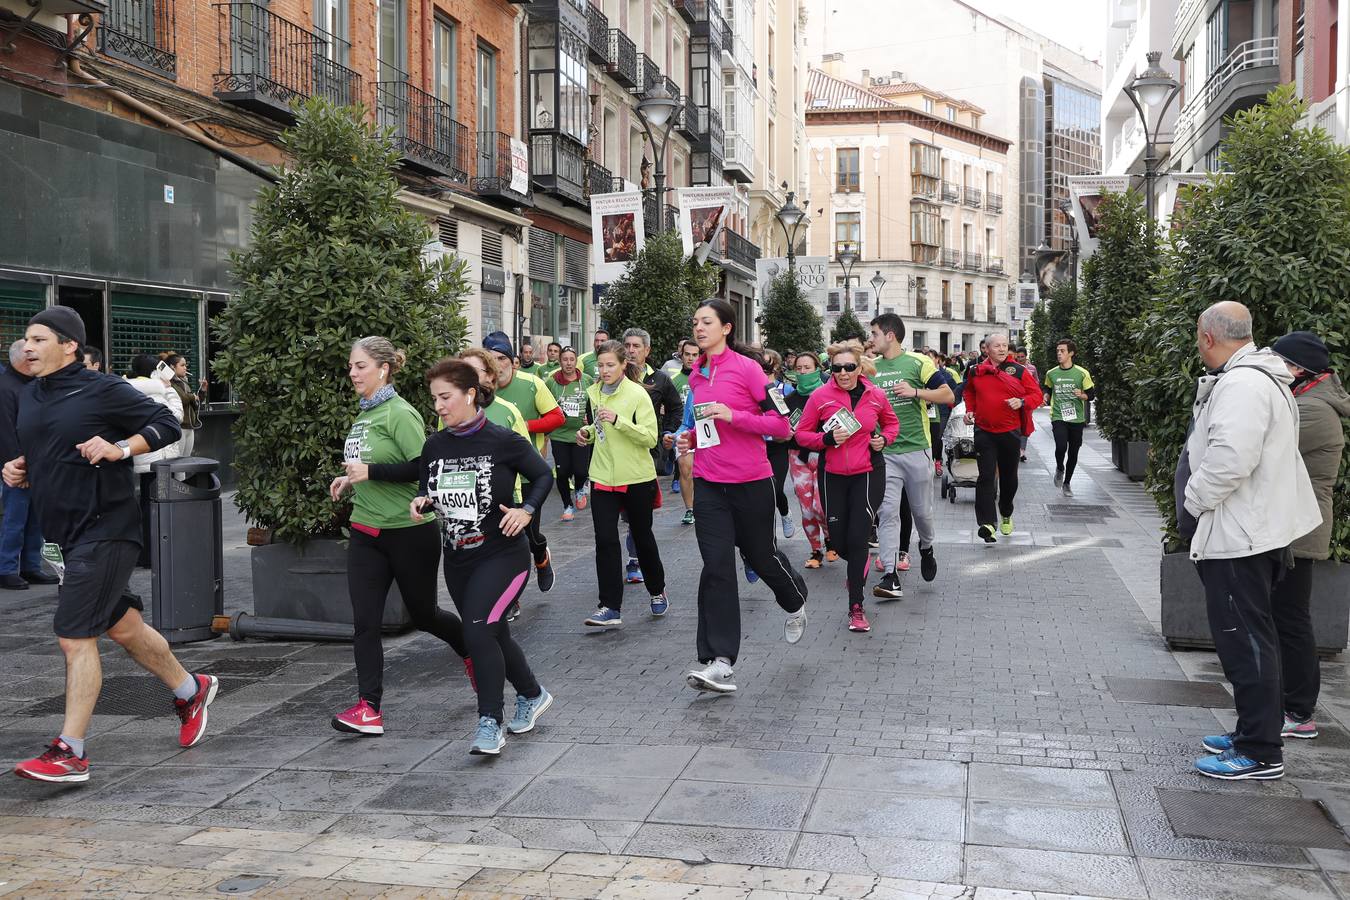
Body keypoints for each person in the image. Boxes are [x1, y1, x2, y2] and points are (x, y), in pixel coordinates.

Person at [6, 307, 214, 783]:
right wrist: (20, 467)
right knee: (123, 629)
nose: (28, 347)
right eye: (26, 339)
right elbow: (46, 447)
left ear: (69, 345)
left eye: (39, 339)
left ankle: (70, 751)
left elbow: (168, 420)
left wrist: (121, 448)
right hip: (67, 535)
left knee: (74, 636)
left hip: (108, 528)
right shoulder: (32, 394)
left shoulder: (103, 388)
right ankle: (190, 688)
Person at [1182, 303, 1321, 781]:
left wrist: (1193, 500)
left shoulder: (1242, 384)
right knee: (1253, 639)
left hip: (1240, 535)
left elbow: (1229, 459)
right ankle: (1253, 732)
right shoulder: (1259, 377)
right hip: (1251, 530)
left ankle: (1260, 751)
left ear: (1207, 336)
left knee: (1246, 643)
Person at [327, 337, 471, 736]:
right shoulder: (363, 416)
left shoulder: (399, 413)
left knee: (424, 615)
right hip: (365, 532)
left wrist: (370, 473)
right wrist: (351, 479)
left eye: (360, 366)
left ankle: (474, 653)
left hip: (408, 533)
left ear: (383, 369)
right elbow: (371, 465)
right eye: (351, 366)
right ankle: (369, 708)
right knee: (365, 623)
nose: (352, 373)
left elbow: (424, 469)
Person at [412, 359, 554, 756]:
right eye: (434, 399)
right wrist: (422, 502)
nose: (438, 406)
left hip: (503, 555)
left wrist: (526, 511)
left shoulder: (502, 440)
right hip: (457, 559)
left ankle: (489, 722)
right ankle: (532, 692)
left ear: (470, 394)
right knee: (492, 632)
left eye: (445, 397)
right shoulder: (435, 445)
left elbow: (543, 475)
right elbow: (430, 489)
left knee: (476, 632)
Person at [677, 299, 808, 693]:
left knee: (760, 555)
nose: (699, 328)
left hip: (752, 482)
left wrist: (735, 417)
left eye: (706, 322)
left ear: (727, 328)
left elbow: (782, 427)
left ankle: (795, 596)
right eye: (695, 321)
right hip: (710, 485)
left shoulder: (749, 370)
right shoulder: (696, 376)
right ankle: (719, 661)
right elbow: (702, 427)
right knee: (716, 567)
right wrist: (687, 439)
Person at [1267, 332, 1348, 743]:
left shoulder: (1314, 410)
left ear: (1301, 371)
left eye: (1280, 362)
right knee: (1285, 617)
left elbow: (1266, 449)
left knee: (1292, 619)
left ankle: (1299, 711)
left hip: (1301, 530)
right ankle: (1288, 703)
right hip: (1292, 525)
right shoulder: (1307, 402)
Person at [794, 342, 898, 633]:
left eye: (849, 367)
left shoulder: (875, 395)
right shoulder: (820, 396)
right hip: (833, 474)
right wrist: (826, 440)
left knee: (858, 536)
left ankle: (856, 606)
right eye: (837, 368)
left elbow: (891, 424)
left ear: (859, 368)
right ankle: (857, 566)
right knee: (839, 543)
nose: (843, 373)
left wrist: (884, 440)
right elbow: (801, 434)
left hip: (868, 472)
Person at [577, 340, 667, 626]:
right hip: (602, 476)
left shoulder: (638, 395)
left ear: (623, 365)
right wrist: (588, 433)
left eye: (610, 365)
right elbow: (599, 427)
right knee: (604, 540)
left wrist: (619, 421)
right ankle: (610, 606)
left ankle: (656, 591)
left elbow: (650, 438)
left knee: (642, 538)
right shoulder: (595, 393)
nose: (604, 371)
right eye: (600, 365)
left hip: (636, 477)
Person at [869, 314, 952, 599]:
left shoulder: (919, 362)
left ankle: (926, 547)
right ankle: (891, 575)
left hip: (917, 449)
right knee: (887, 513)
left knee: (921, 513)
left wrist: (916, 391)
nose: (871, 340)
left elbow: (948, 395)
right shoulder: (871, 368)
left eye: (875, 334)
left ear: (890, 335)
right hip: (886, 452)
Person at [483, 331, 564, 593]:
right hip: (493, 478)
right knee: (502, 540)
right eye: (490, 359)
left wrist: (520, 425)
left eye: (501, 358)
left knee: (528, 536)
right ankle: (510, 598)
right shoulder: (478, 393)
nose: (496, 365)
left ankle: (541, 556)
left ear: (513, 361)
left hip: (528, 474)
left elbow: (557, 417)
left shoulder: (532, 384)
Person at [962, 333, 1041, 543]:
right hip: (984, 431)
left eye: (1005, 346)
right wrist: (970, 411)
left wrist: (1022, 402)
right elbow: (968, 392)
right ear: (986, 349)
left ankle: (1006, 511)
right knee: (986, 477)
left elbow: (1037, 395)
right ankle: (987, 524)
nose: (1002, 349)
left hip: (1010, 432)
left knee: (1009, 479)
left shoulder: (1019, 371)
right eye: (997, 346)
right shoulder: (975, 371)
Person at [0, 340, 54, 591]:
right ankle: (7, 568)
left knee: (35, 518)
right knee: (16, 518)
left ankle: (30, 566)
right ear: (23, 359)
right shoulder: (7, 387)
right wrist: (20, 466)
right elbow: (6, 432)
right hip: (18, 465)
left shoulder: (31, 385)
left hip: (36, 461)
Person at [126, 354, 183, 567]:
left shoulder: (128, 391)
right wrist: (168, 389)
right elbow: (176, 415)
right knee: (160, 508)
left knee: (145, 506)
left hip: (142, 459)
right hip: (160, 458)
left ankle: (144, 553)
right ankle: (156, 554)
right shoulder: (157, 393)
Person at [784, 351, 828, 568]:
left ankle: (831, 539)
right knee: (806, 507)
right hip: (797, 455)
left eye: (807, 368)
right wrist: (784, 432)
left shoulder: (829, 394)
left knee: (821, 506)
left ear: (817, 369)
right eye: (798, 368)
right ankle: (816, 550)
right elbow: (779, 428)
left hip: (825, 456)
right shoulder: (789, 399)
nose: (802, 372)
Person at [1043, 340, 1095, 498]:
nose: (1059, 353)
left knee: (1073, 452)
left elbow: (1091, 395)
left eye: (1063, 351)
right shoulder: (1051, 373)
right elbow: (1048, 388)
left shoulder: (1082, 373)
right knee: (1060, 447)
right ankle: (1060, 468)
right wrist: (1046, 395)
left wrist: (1082, 395)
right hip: (1058, 416)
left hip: (1076, 419)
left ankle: (1067, 483)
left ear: (1071, 353)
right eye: (1057, 351)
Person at [546, 347, 592, 520]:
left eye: (571, 359)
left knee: (581, 471)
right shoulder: (552, 382)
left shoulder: (586, 380)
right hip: (559, 435)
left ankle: (580, 488)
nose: (568, 363)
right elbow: (543, 403)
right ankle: (567, 505)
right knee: (563, 472)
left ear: (576, 361)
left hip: (581, 433)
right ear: (560, 361)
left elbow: (594, 402)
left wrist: (591, 419)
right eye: (565, 359)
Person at [761, 350, 796, 540]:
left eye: (767, 365)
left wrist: (787, 432)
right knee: (762, 493)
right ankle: (767, 537)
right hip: (756, 446)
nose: (763, 369)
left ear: (776, 366)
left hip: (778, 447)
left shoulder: (786, 390)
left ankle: (784, 512)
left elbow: (793, 419)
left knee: (775, 487)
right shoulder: (751, 389)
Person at [665, 339, 700, 525]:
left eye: (695, 355)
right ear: (681, 355)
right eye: (688, 354)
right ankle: (690, 509)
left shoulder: (706, 378)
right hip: (684, 431)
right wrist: (670, 432)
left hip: (706, 433)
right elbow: (666, 407)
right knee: (685, 468)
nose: (691, 358)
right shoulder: (674, 380)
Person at [160, 353, 206, 458]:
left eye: (186, 365)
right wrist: (192, 397)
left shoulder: (183, 382)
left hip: (189, 426)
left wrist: (202, 391)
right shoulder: (169, 382)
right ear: (172, 367)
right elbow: (182, 399)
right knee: (178, 461)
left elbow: (195, 404)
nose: (185, 368)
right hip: (179, 426)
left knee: (186, 461)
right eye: (182, 365)